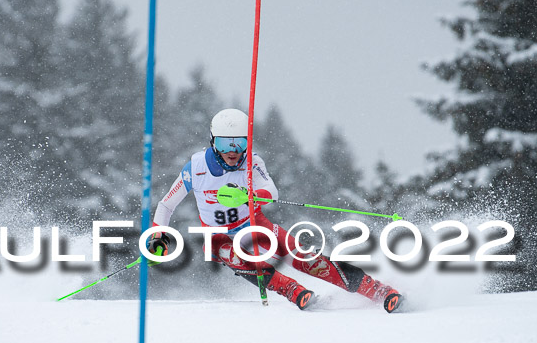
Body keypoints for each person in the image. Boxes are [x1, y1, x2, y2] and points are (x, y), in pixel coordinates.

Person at [147, 108, 403, 312]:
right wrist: (157, 234)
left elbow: (272, 192)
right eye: (226, 144)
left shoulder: (253, 162)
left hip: (256, 226)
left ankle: (378, 291)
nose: (233, 152)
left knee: (306, 259)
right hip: (219, 236)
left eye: (239, 143)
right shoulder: (196, 167)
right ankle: (293, 291)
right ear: (213, 142)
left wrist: (250, 195)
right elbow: (167, 204)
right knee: (233, 255)